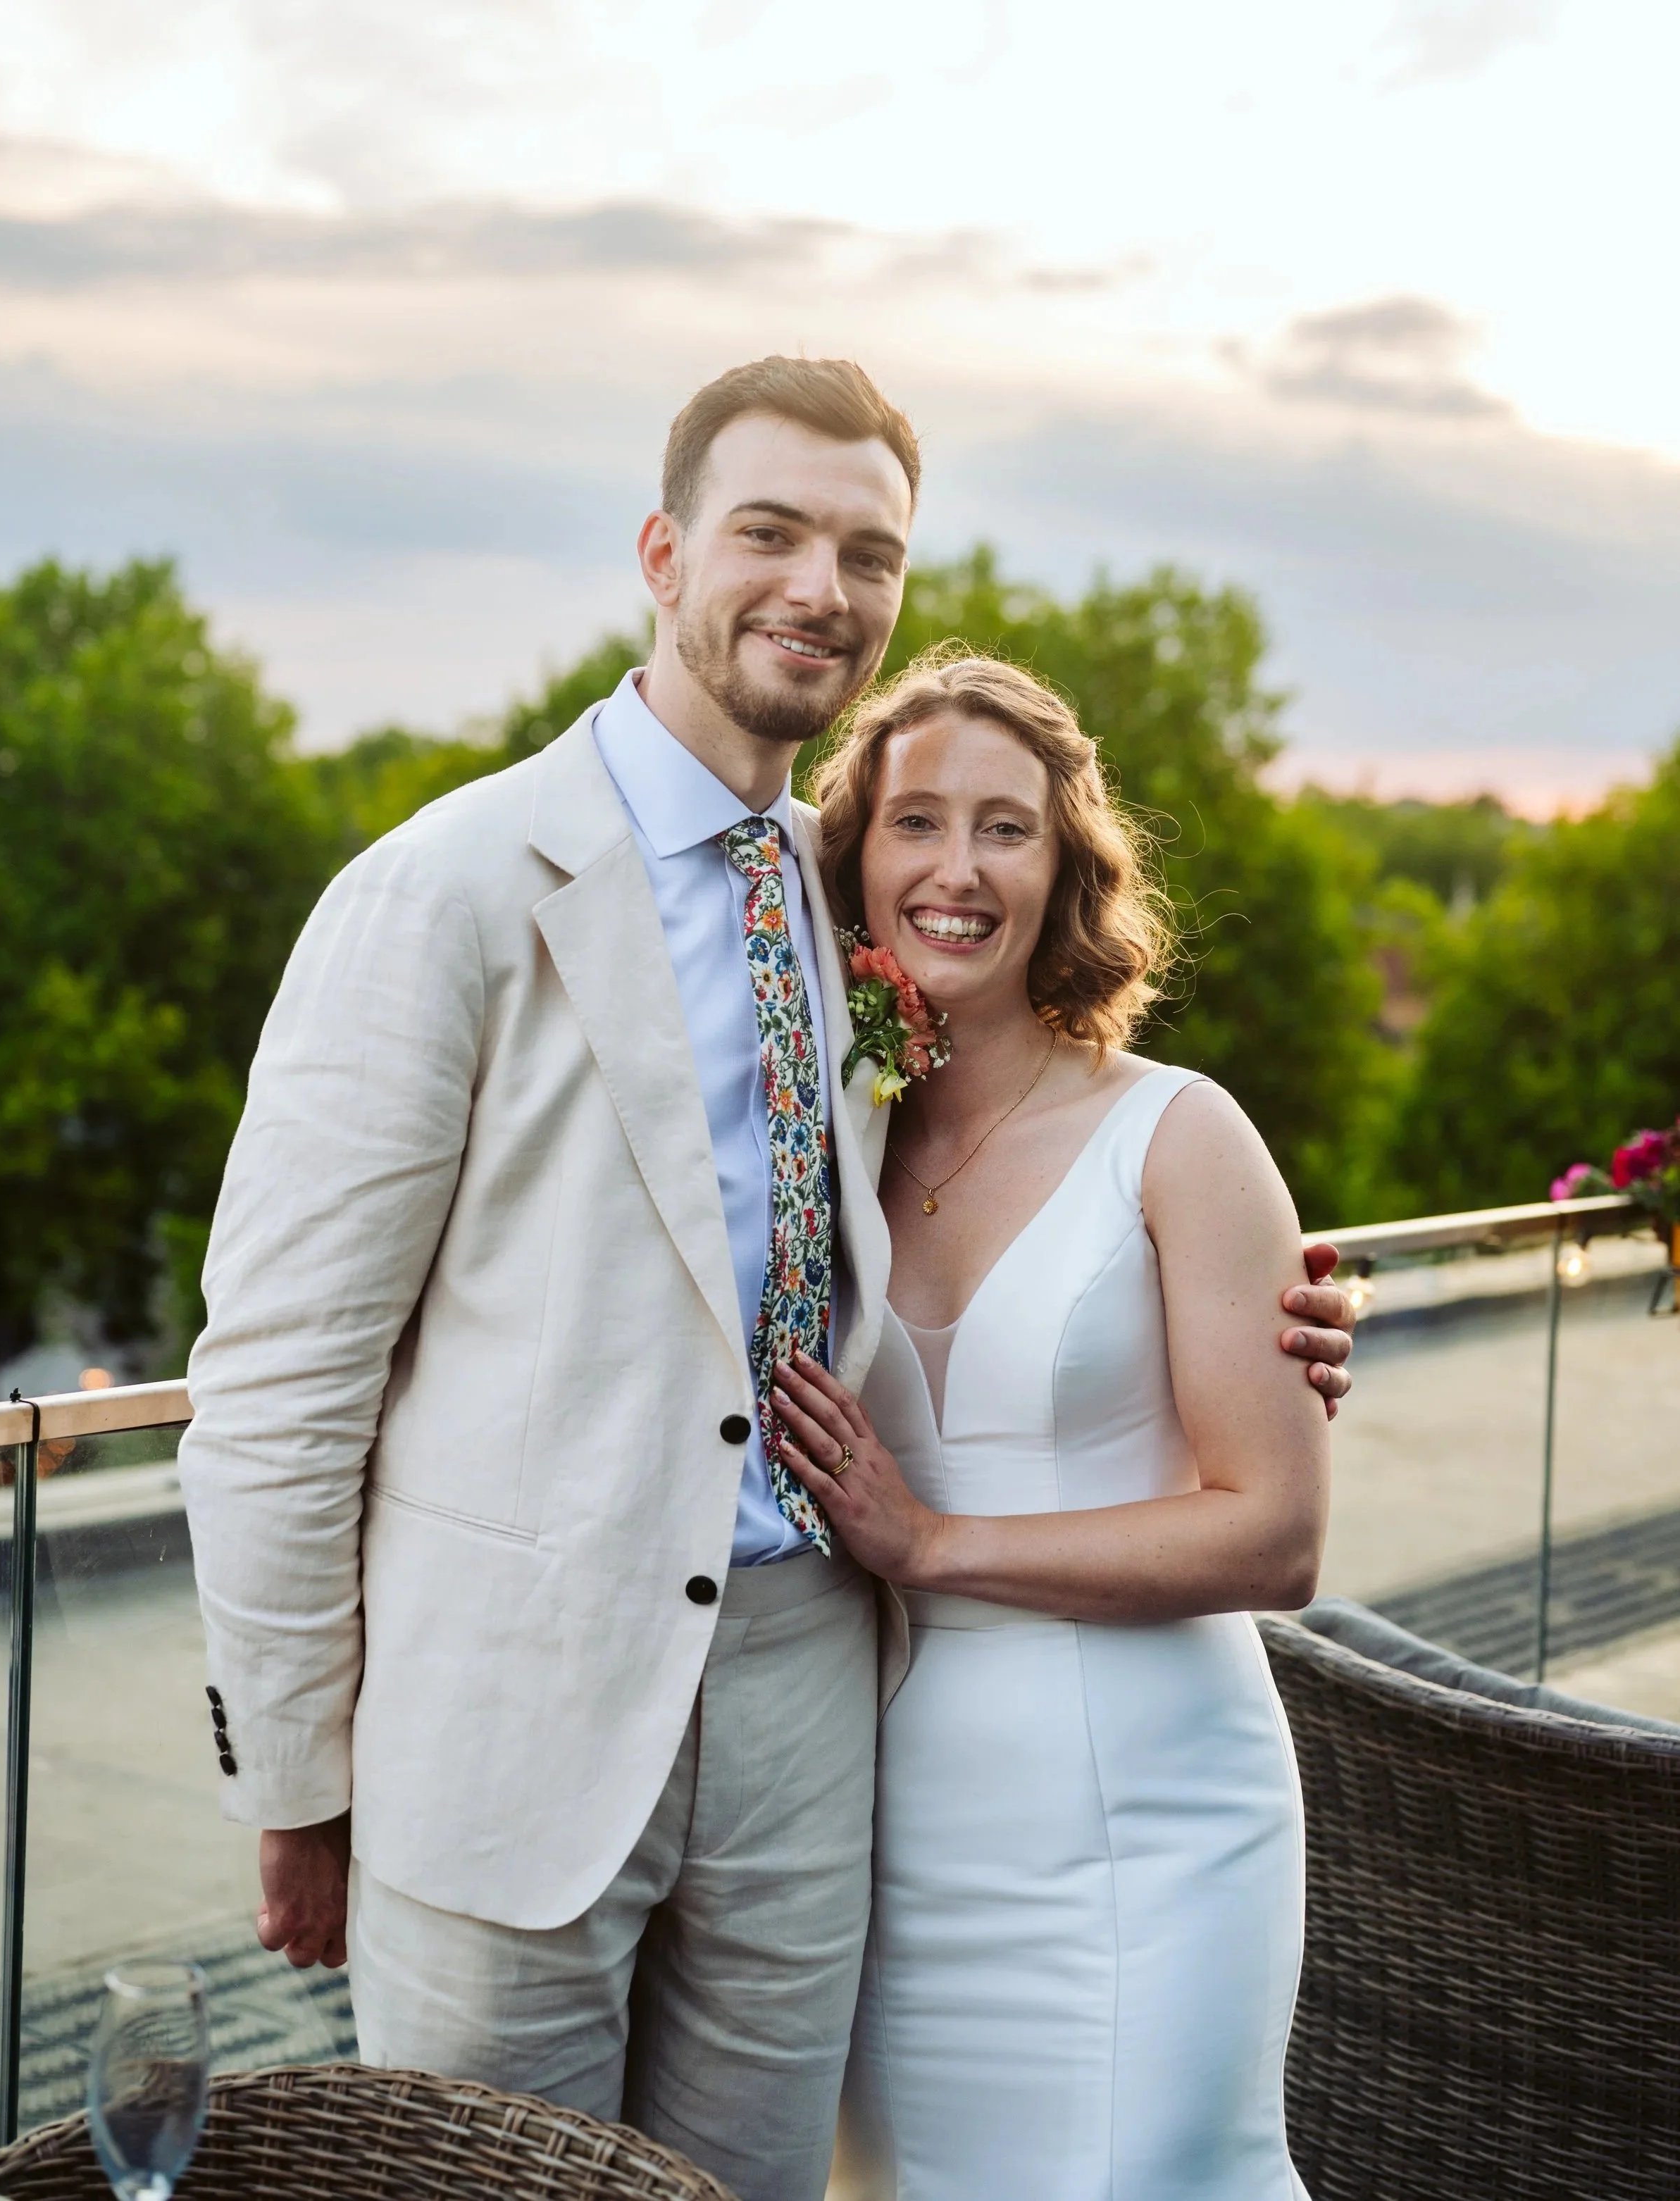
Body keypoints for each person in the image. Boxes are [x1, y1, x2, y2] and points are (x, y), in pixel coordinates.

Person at [177, 358, 1354, 2201]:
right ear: (663, 553)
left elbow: (989, 1220)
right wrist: (296, 1770)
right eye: (770, 531)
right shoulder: (451, 888)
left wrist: (1241, 1323)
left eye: (865, 551)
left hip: (816, 1702)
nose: (820, 584)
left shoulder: (851, 909)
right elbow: (277, 1374)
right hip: (513, 1722)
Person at [769, 649, 1325, 2200]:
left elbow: (1275, 1533)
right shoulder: (822, 1146)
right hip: (885, 1829)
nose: (955, 869)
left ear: (1065, 867)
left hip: (1153, 1817)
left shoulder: (1176, 1129)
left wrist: (931, 1537)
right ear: (853, 860)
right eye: (915, 823)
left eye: (1003, 828)